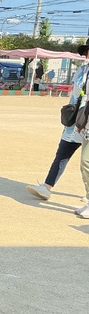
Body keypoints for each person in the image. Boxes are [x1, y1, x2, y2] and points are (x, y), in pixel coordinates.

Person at [26, 41, 89, 205]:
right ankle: (47, 187)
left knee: (86, 161)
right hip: (76, 119)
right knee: (62, 153)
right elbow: (75, 93)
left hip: (87, 120)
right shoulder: (82, 70)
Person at [73, 40, 89, 218]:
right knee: (83, 165)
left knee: (86, 161)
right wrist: (81, 123)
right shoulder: (85, 70)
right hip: (87, 120)